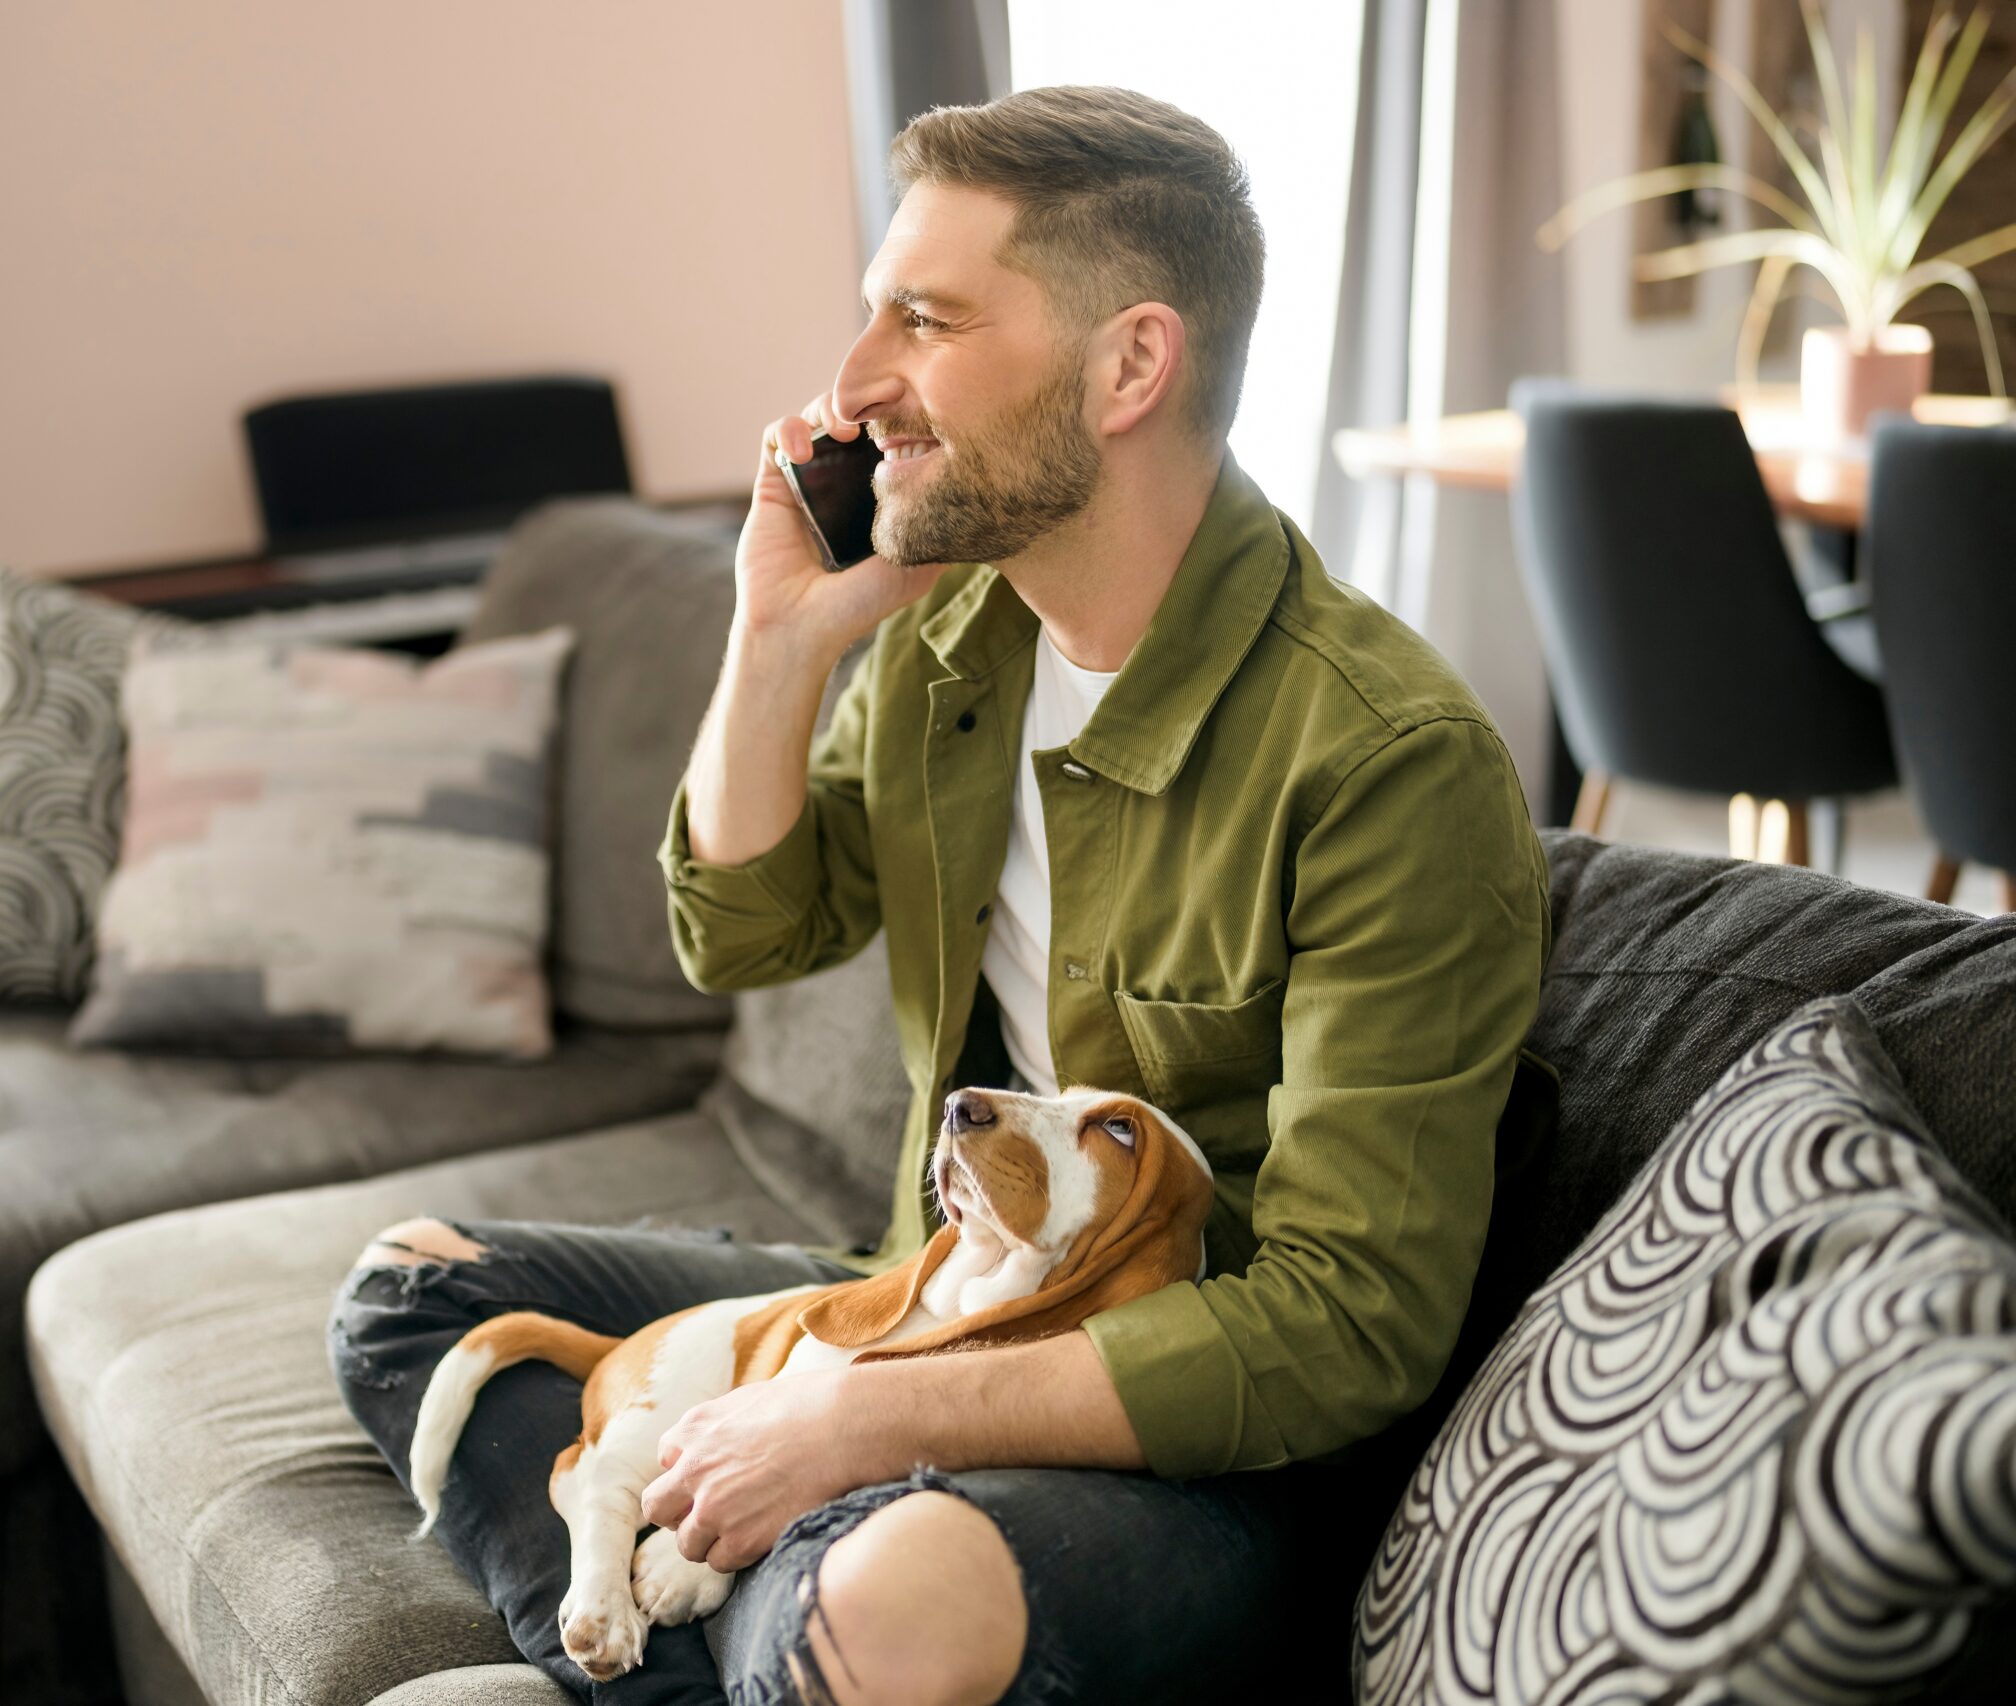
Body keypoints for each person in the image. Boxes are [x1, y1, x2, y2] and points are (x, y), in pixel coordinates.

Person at [330, 84, 1549, 1706]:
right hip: (919, 1298)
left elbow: (1348, 1324)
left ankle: (744, 1603)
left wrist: (857, 1417)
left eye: (925, 318)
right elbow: (744, 927)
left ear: (1130, 365)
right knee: (416, 1292)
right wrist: (777, 640)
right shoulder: (952, 644)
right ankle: (711, 1626)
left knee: (890, 1597)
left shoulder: (1388, 759)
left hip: (1202, 1455)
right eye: (870, 314)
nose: (850, 387)